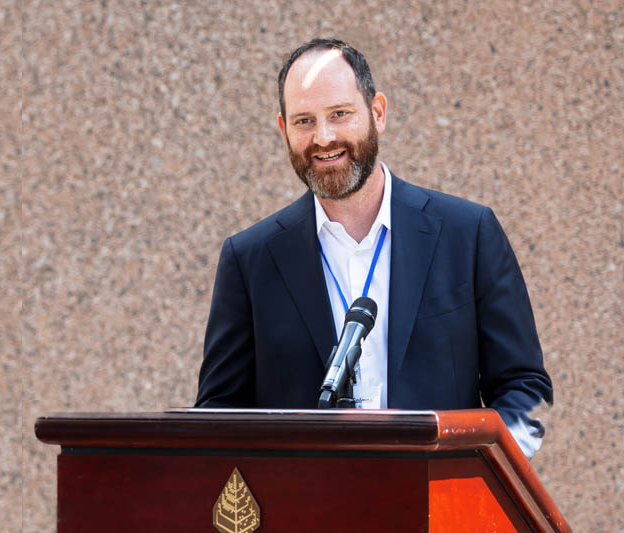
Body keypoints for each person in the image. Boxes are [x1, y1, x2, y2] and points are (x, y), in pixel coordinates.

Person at [195, 38, 553, 458]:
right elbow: (217, 418)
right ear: (283, 129)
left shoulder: (468, 234)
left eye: (339, 114)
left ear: (377, 113)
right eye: (304, 121)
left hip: (440, 494)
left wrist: (481, 475)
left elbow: (526, 388)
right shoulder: (249, 260)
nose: (323, 137)